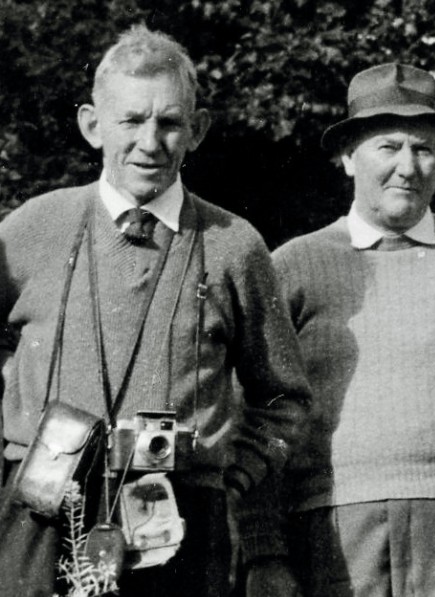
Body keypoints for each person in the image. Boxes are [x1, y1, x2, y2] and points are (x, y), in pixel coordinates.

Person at [0, 25, 311, 597]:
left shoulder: (233, 245)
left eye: (170, 122)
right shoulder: (29, 229)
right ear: (92, 125)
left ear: (198, 129)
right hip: (40, 509)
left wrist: (228, 477)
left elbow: (285, 399)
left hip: (178, 516)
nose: (151, 141)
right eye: (131, 121)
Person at [238, 63, 435, 597]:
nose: (408, 167)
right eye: (388, 147)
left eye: (424, 148)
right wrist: (263, 549)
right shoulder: (295, 265)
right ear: (348, 157)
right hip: (328, 527)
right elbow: (255, 416)